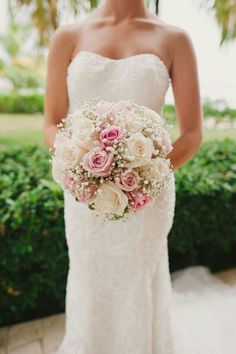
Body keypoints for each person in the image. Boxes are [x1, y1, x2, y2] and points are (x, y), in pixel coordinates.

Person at [43, 1, 236, 353]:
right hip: (84, 193)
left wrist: (144, 172)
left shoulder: (175, 39)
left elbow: (192, 133)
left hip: (148, 195)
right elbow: (51, 122)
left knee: (137, 281)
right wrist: (83, 167)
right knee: (89, 277)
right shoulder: (67, 36)